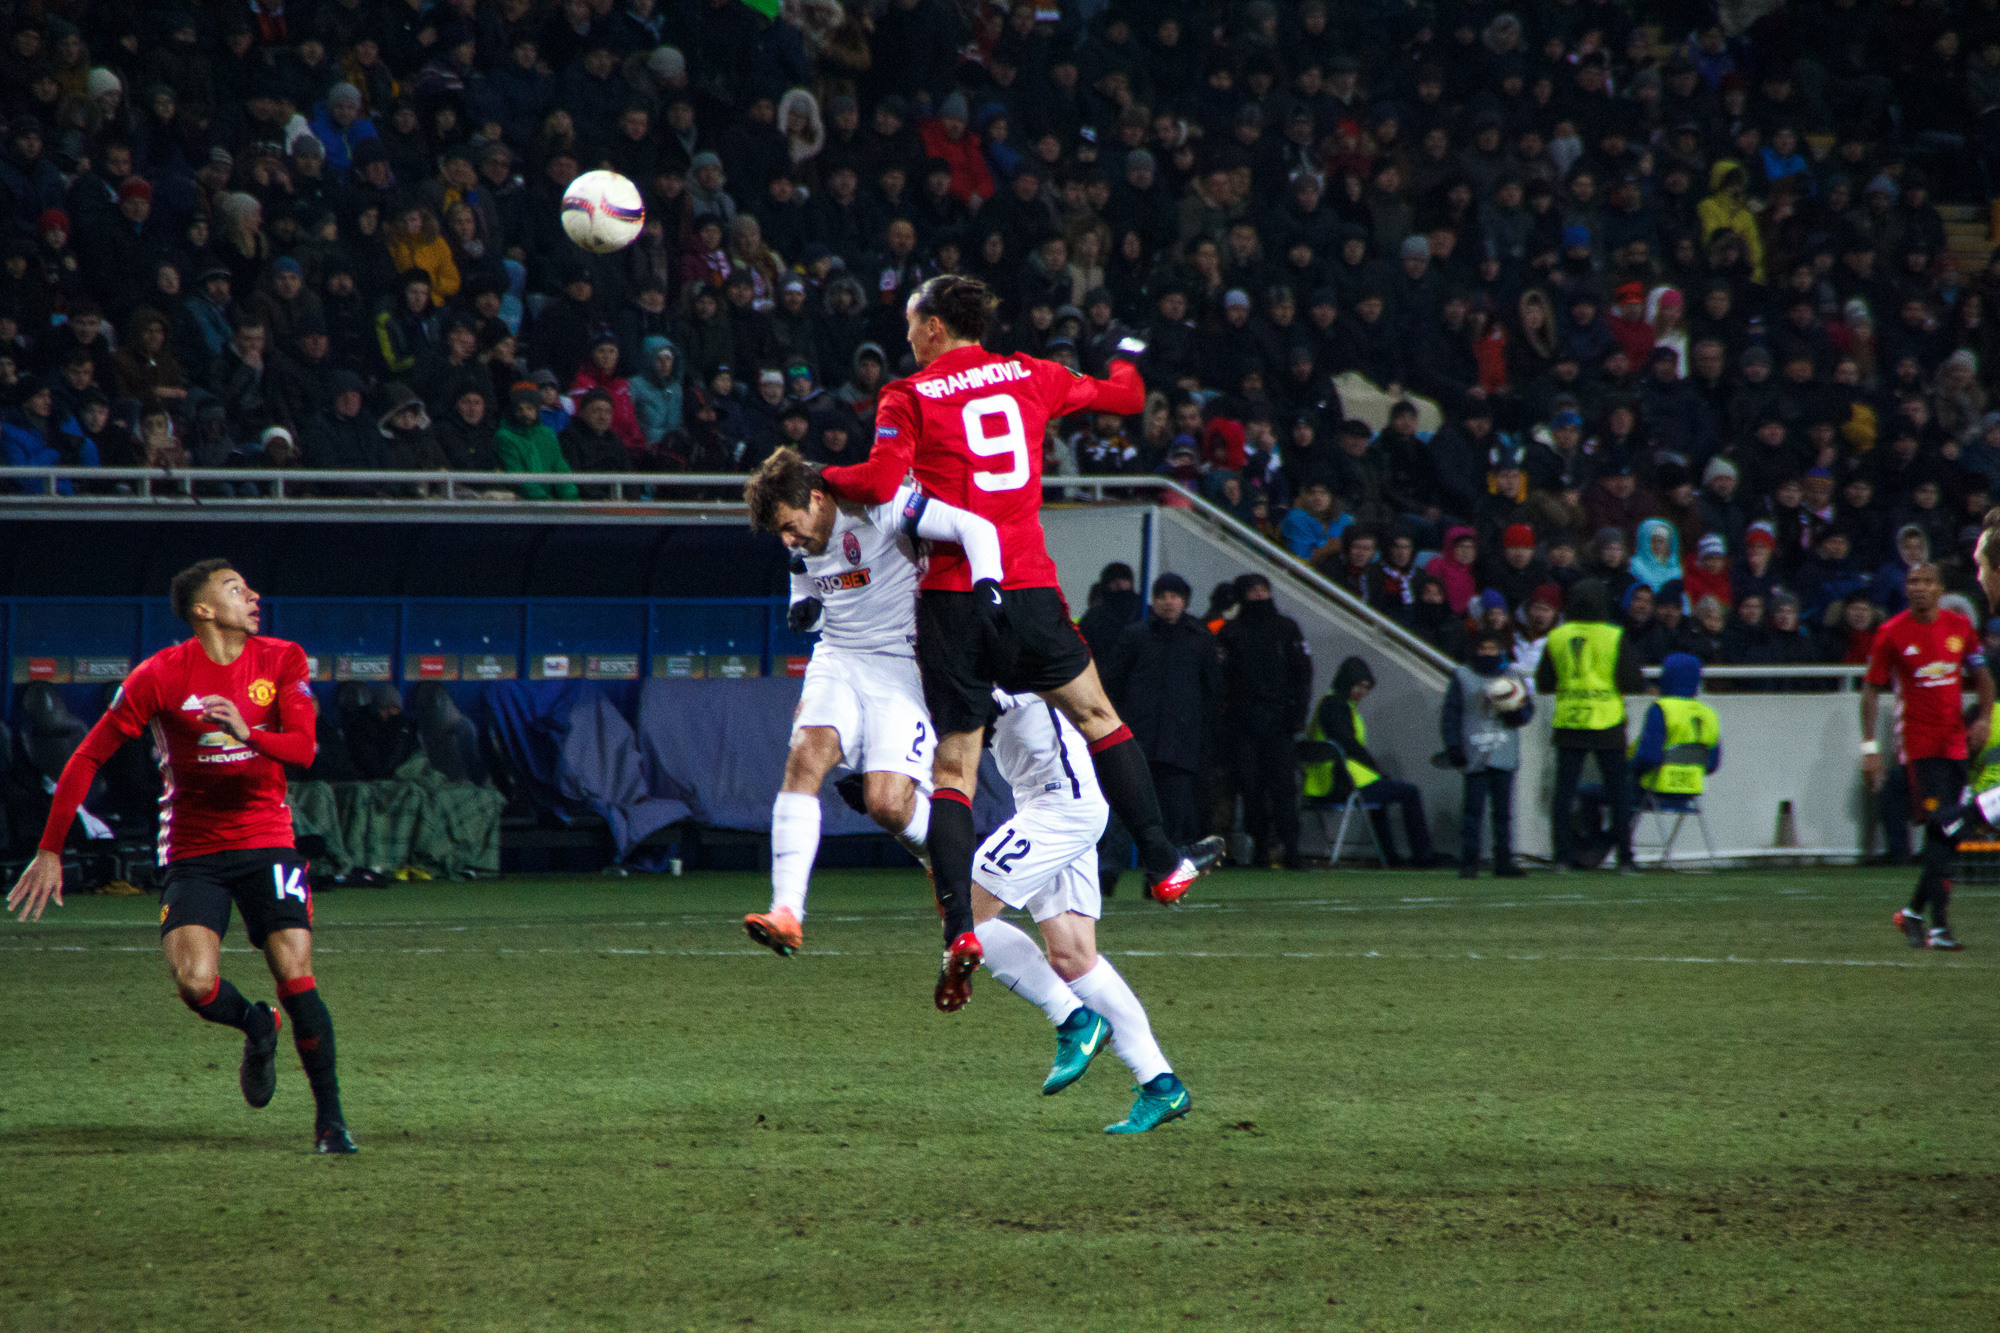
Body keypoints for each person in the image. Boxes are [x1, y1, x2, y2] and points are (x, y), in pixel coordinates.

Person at [812, 274, 1220, 1009]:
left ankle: (962, 928)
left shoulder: (908, 394)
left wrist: (820, 475)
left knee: (957, 768)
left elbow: (875, 482)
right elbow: (1125, 396)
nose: (907, 335)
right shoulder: (1033, 374)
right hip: (1029, 587)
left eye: (912, 323)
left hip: (950, 599)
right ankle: (1163, 856)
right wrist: (1126, 354)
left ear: (934, 325)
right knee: (1100, 718)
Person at [5, 560, 354, 1154]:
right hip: (194, 849)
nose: (253, 595)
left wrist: (248, 733)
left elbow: (303, 749)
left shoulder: (282, 659)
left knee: (295, 972)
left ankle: (331, 1122)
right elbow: (87, 758)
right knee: (195, 984)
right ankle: (255, 1024)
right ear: (204, 610)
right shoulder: (160, 676)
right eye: (236, 589)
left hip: (267, 836)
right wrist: (50, 848)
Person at [738, 449, 1003, 958]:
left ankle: (940, 859)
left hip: (900, 666)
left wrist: (987, 587)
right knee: (805, 759)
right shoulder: (800, 535)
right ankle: (787, 910)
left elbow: (971, 527)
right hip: (837, 658)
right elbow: (802, 581)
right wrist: (803, 611)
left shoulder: (878, 507)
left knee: (886, 804)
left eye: (792, 527)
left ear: (817, 499)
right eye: (782, 534)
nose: (790, 540)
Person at [971, 690, 1191, 1134]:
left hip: (1061, 805)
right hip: (1048, 801)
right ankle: (1161, 1084)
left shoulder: (1013, 637)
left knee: (963, 913)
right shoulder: (960, 644)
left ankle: (1073, 1019)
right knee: (1073, 957)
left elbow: (1010, 687)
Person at [1861, 563, 1992, 950]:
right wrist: (1870, 747)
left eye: (1926, 582)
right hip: (1918, 748)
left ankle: (1915, 913)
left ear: (1940, 589)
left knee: (1950, 833)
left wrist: (1984, 717)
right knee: (1941, 827)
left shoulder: (1960, 628)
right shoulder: (1891, 633)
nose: (1918, 588)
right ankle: (1939, 927)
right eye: (1912, 582)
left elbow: (1982, 677)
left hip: (1956, 745)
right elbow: (1871, 690)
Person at [1101, 572, 1221, 846]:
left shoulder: (1199, 640)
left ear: (1185, 601)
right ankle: (1110, 870)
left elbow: (1212, 690)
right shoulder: (1135, 637)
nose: (1168, 602)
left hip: (1180, 741)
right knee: (1123, 808)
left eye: (1175, 596)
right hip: (1137, 738)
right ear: (1153, 601)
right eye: (1162, 596)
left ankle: (1163, 876)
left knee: (1173, 815)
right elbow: (1113, 682)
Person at [1538, 579, 1647, 872]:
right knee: (1618, 795)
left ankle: (1561, 858)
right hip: (1607, 722)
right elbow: (1633, 683)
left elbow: (1543, 682)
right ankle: (1625, 859)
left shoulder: (1558, 636)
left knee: (1563, 794)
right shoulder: (1613, 636)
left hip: (1569, 721)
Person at [1216, 574, 1313, 869]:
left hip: (1279, 722)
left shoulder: (1287, 628)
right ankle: (1259, 849)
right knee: (1251, 788)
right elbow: (1221, 680)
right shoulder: (1230, 632)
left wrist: (1296, 717)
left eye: (1263, 590)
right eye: (1253, 591)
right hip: (1242, 724)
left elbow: (1303, 674)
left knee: (1283, 788)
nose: (1259, 596)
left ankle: (1291, 849)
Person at [1307, 656, 1440, 867]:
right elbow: (1350, 746)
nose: (1362, 692)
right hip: (1342, 783)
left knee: (1382, 795)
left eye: (1366, 688)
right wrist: (1376, 768)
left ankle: (1390, 857)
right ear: (1347, 681)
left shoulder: (1331, 703)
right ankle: (1423, 857)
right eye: (1358, 686)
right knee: (1410, 792)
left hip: (1323, 783)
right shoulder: (1337, 707)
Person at [1441, 632, 1534, 877]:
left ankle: (1503, 860)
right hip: (1474, 752)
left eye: (1494, 648)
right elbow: (1451, 714)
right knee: (1473, 811)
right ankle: (1469, 861)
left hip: (1503, 752)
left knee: (1503, 813)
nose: (1489, 654)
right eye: (1484, 648)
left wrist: (1516, 713)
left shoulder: (1512, 676)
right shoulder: (1463, 676)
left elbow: (1528, 709)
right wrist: (1453, 746)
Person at [1629, 652, 1722, 817]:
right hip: (1689, 795)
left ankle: (1605, 842)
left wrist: (1627, 769)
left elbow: (1648, 758)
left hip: (1653, 791)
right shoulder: (1710, 715)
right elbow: (1712, 764)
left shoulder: (1661, 709)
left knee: (1594, 793)